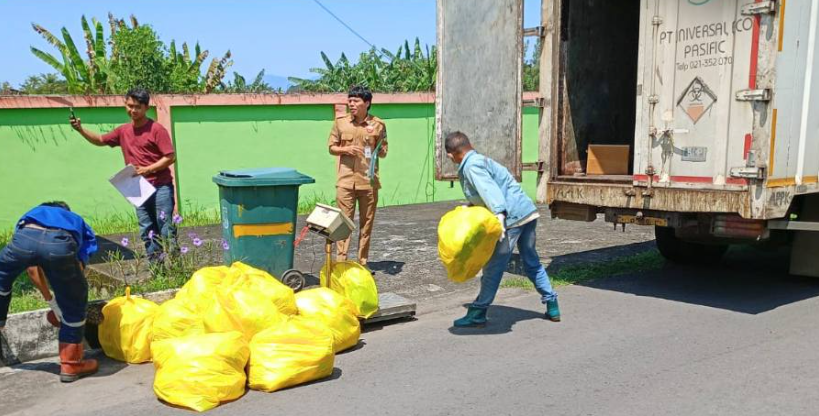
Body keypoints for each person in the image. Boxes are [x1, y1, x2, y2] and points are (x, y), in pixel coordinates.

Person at [445, 131, 560, 327]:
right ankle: (552, 303)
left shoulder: (471, 166)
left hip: (511, 220)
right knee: (532, 261)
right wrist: (472, 206)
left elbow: (491, 191)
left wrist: (499, 214)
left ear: (451, 154)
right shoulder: (481, 159)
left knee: (493, 267)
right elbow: (494, 187)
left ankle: (478, 312)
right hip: (527, 213)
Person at [70, 88, 177, 262]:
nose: (132, 110)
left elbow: (170, 157)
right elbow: (100, 140)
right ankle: (157, 268)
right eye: (129, 106)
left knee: (165, 227)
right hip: (136, 186)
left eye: (137, 107)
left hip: (160, 185)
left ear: (146, 108)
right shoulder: (123, 131)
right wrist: (80, 129)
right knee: (146, 228)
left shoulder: (156, 129)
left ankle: (176, 265)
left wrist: (148, 169)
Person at [0, 202, 99, 382]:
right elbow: (76, 269)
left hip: (24, 241)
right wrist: (63, 304)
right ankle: (71, 364)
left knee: (1, 282)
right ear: (66, 210)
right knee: (75, 301)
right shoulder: (76, 220)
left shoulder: (32, 214)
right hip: (59, 244)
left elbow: (32, 269)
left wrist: (51, 302)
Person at [328, 86, 388, 269]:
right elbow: (331, 147)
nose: (351, 104)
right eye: (350, 100)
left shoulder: (378, 125)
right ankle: (341, 262)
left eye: (356, 101)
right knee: (343, 222)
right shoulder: (341, 123)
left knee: (366, 224)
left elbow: (384, 152)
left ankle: (362, 262)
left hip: (368, 182)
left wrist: (378, 148)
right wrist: (346, 149)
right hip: (346, 181)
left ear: (367, 103)